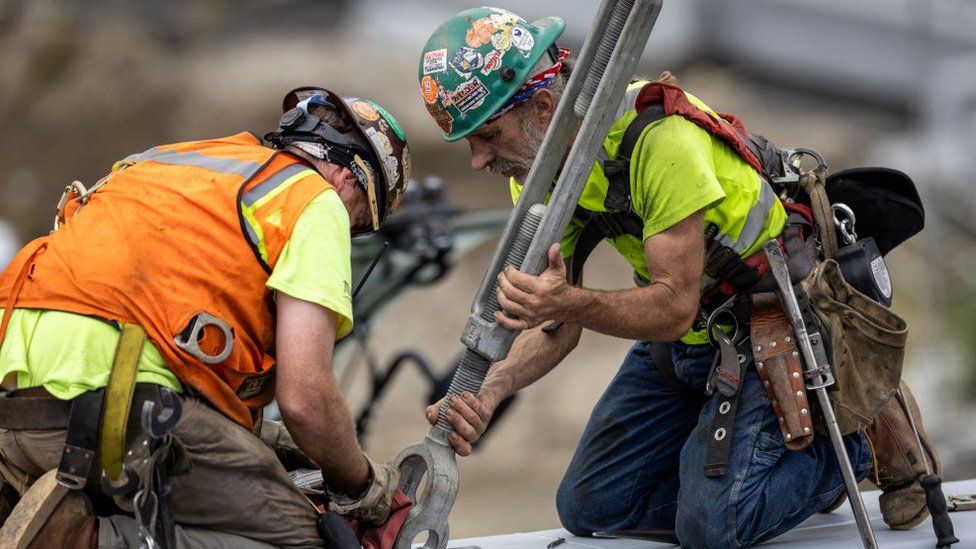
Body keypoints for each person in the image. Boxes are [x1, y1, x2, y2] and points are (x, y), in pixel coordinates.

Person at [418, 7, 940, 548]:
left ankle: (854, 438)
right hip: (691, 338)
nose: (478, 160)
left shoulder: (659, 140)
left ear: (543, 106)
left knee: (713, 530)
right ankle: (762, 471)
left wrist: (569, 300)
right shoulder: (538, 170)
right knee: (588, 506)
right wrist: (495, 387)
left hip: (769, 324)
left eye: (487, 135)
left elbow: (672, 307)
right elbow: (558, 326)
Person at [0, 86, 411, 547]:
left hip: (15, 412)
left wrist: (265, 435)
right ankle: (79, 541)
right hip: (111, 407)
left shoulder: (176, 161)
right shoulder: (314, 199)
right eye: (358, 222)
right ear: (349, 180)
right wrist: (362, 484)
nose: (347, 230)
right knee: (307, 539)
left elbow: (158, 314)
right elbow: (306, 399)